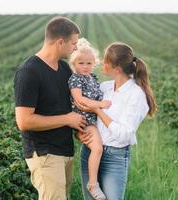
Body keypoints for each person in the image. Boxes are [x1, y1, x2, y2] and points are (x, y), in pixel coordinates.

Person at [14, 16, 86, 200]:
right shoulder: (29, 72)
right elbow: (24, 121)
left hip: (65, 150)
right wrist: (67, 119)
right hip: (44, 153)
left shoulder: (63, 69)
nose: (76, 48)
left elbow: (72, 104)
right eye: (73, 43)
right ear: (60, 42)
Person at [77, 42, 157, 200]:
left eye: (105, 61)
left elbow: (124, 134)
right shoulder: (105, 87)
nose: (101, 63)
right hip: (90, 151)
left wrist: (97, 110)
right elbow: (83, 110)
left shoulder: (136, 95)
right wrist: (80, 135)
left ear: (117, 68)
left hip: (114, 157)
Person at [68, 38, 111, 200]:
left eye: (89, 63)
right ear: (74, 63)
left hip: (94, 119)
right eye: (81, 63)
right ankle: (93, 184)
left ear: (94, 63)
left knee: (98, 149)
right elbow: (80, 100)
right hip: (84, 119)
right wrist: (101, 104)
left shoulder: (92, 77)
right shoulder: (75, 79)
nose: (85, 67)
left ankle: (96, 180)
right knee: (98, 149)